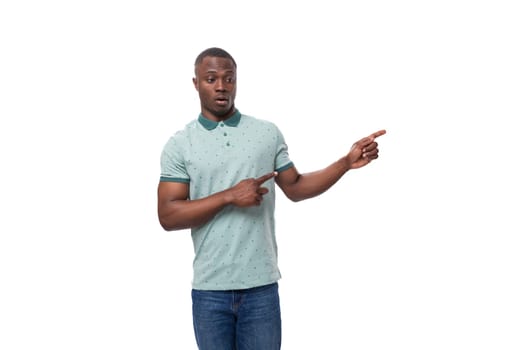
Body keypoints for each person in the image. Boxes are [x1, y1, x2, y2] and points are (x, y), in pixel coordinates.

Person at [157, 47, 386, 350]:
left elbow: (296, 187)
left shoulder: (266, 133)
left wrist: (345, 163)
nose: (221, 86)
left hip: (261, 288)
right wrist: (229, 196)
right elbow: (168, 215)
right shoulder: (180, 144)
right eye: (211, 79)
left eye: (229, 78)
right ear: (196, 83)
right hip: (210, 290)